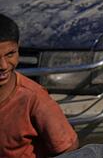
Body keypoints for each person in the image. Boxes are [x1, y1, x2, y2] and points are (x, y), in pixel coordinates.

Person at [0, 13, 79, 157]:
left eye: (10, 54)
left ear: (18, 49)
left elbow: (68, 149)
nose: (3, 65)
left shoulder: (33, 98)